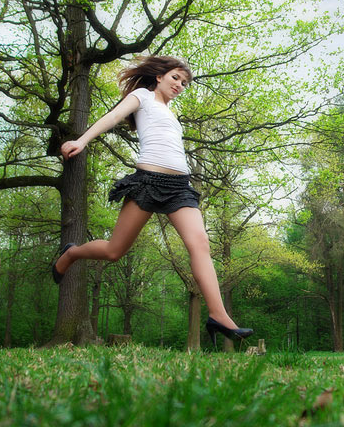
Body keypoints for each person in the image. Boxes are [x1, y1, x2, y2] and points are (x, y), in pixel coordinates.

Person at [52, 55, 252, 348]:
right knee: (113, 251)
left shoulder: (171, 114)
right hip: (147, 182)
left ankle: (218, 315)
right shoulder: (142, 96)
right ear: (159, 76)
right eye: (175, 78)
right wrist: (82, 141)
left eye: (184, 83)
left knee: (200, 244)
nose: (180, 85)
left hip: (179, 186)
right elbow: (113, 117)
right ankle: (71, 254)